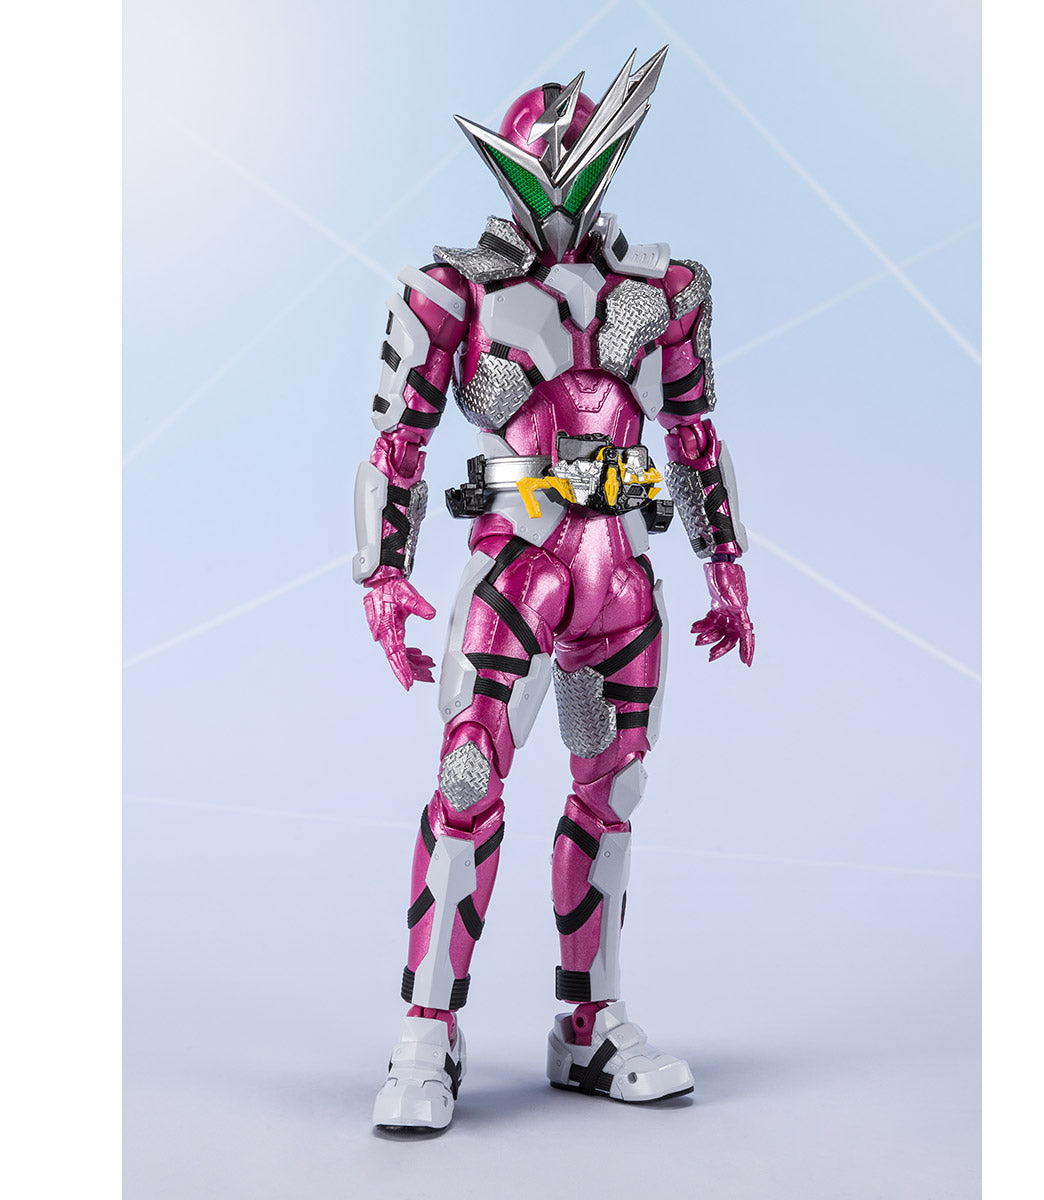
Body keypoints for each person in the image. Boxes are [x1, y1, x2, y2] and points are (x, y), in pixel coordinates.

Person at [353, 48, 755, 1131]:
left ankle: (589, 1024)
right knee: (468, 776)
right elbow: (396, 445)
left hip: (619, 569)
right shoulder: (453, 291)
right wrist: (382, 575)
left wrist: (726, 565)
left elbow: (694, 435)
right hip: (516, 565)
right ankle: (426, 1031)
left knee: (613, 790)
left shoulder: (663, 292)